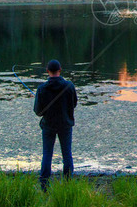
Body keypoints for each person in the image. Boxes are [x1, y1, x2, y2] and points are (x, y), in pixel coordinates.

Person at [34, 59, 78, 191]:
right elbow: (74, 104)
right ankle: (68, 184)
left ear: (47, 71)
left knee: (47, 154)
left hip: (48, 126)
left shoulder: (42, 89)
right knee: (67, 154)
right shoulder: (69, 86)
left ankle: (44, 185)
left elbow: (38, 111)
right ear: (60, 70)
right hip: (65, 125)